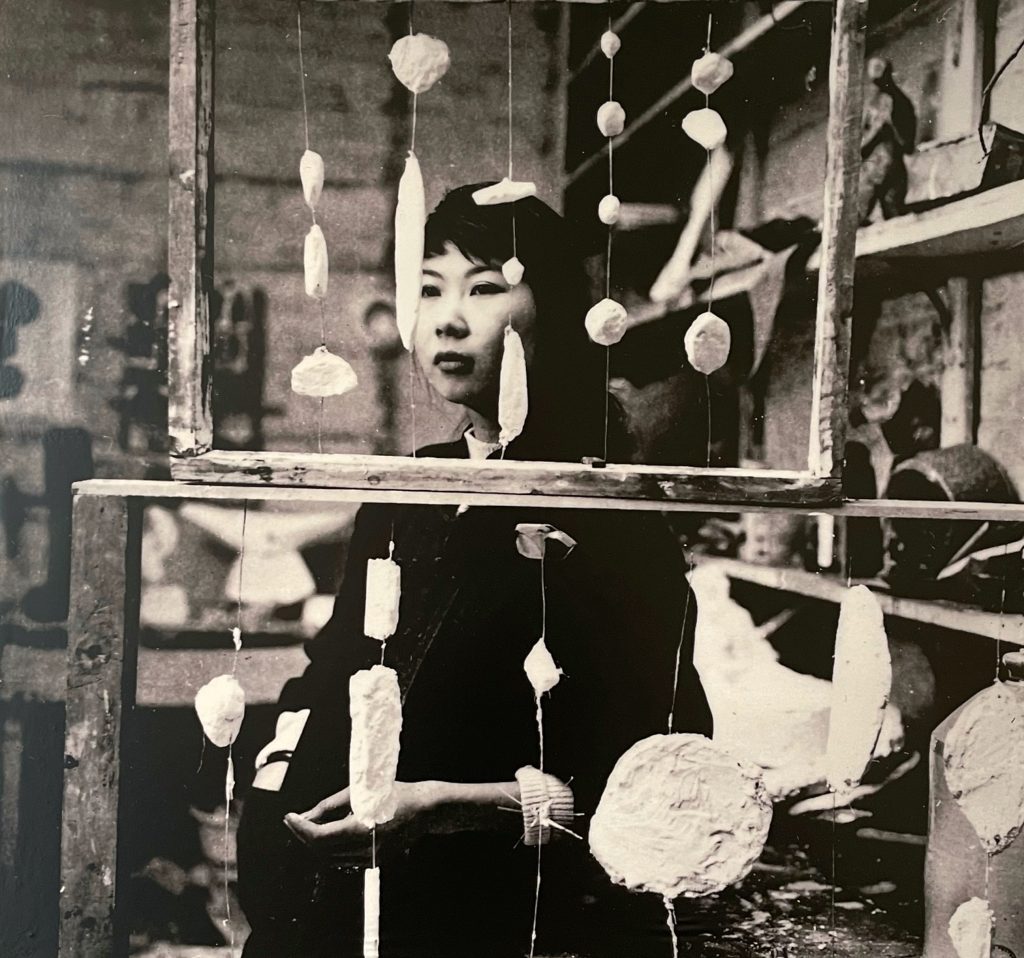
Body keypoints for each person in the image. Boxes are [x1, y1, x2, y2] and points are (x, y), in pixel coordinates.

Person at [237, 184, 712, 958]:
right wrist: (276, 774)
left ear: (552, 313)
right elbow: (333, 662)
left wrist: (447, 807)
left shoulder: (604, 510)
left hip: (491, 921)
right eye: (429, 290)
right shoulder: (411, 488)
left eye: (486, 288)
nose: (448, 318)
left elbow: (664, 762)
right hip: (336, 904)